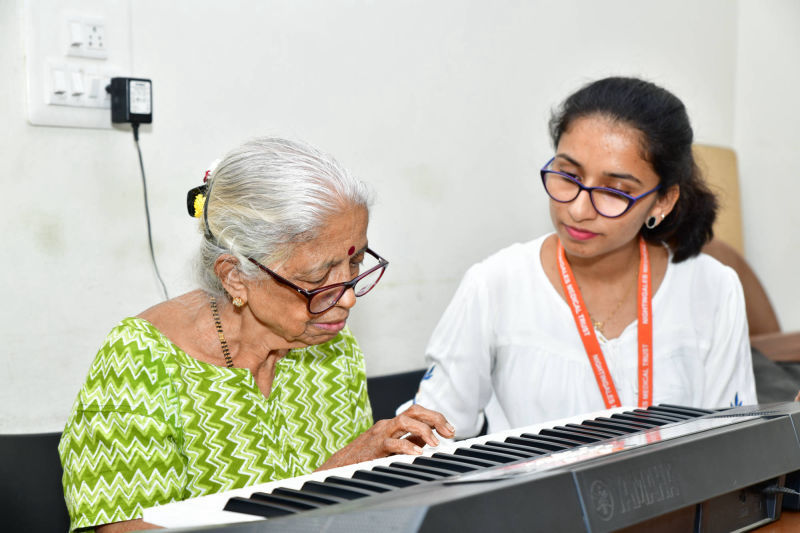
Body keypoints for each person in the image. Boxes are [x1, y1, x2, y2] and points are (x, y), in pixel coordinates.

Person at [58, 137, 454, 532]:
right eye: (318, 277)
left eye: (354, 261)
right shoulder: (141, 359)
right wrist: (326, 481)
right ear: (235, 277)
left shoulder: (329, 344)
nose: (347, 298)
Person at [412, 76, 757, 439]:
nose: (577, 209)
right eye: (568, 174)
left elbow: (732, 442)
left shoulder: (713, 288)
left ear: (662, 201)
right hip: (534, 496)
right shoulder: (496, 284)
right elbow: (433, 430)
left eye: (614, 190)